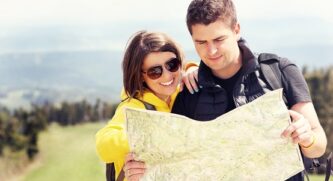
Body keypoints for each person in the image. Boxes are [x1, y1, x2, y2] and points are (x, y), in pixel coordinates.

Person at [171, 0, 327, 180]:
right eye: (201, 42)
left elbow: (319, 145)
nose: (211, 50)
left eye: (219, 39)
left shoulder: (280, 70)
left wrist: (308, 139)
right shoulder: (188, 91)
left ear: (236, 30)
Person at [95, 30, 198, 181]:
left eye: (172, 64)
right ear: (140, 76)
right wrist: (149, 136)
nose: (167, 75)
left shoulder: (179, 91)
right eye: (155, 71)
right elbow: (103, 145)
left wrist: (192, 68)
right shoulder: (133, 107)